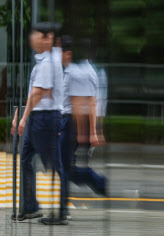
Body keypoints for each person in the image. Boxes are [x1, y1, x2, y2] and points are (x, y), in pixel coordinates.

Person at [11, 22, 66, 225]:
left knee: (54, 165)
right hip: (38, 118)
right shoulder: (42, 61)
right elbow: (32, 94)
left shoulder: (49, 63)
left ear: (47, 38)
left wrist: (23, 119)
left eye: (35, 34)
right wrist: (21, 115)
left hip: (46, 118)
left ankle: (61, 211)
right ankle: (31, 206)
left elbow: (38, 93)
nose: (31, 38)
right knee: (25, 161)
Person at [59, 35, 106, 219]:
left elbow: (87, 103)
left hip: (72, 123)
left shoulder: (80, 72)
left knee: (63, 166)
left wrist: (90, 132)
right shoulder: (84, 70)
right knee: (64, 166)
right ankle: (97, 182)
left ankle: (98, 182)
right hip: (71, 122)